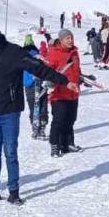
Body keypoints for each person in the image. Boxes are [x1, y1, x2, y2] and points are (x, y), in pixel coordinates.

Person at [0, 25, 77, 205]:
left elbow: (39, 68)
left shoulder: (15, 53)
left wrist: (64, 82)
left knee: (10, 152)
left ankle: (13, 191)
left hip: (10, 112)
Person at [46, 29, 82, 157]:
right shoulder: (54, 53)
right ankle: (55, 145)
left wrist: (82, 78)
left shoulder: (74, 52)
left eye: (71, 37)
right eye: (68, 38)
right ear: (61, 40)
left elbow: (76, 70)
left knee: (71, 119)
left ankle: (68, 144)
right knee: (59, 120)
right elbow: (47, 72)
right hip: (59, 94)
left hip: (73, 92)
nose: (70, 40)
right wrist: (49, 82)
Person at [22, 35, 48, 140]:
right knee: (42, 106)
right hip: (39, 83)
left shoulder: (22, 56)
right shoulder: (38, 55)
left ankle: (36, 128)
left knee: (34, 107)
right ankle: (41, 127)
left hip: (30, 84)